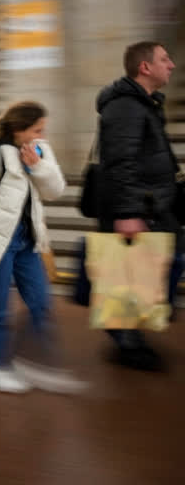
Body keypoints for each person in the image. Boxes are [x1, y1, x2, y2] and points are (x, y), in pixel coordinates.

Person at [0, 102, 83, 394]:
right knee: (0, 311)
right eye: (37, 130)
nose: (43, 136)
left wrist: (37, 167)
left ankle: (36, 362)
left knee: (41, 302)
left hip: (28, 242)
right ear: (19, 131)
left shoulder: (40, 151)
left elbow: (55, 190)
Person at [96, 41, 180, 371]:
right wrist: (128, 212)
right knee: (128, 273)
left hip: (153, 204)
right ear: (145, 67)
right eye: (164, 58)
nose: (171, 64)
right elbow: (120, 162)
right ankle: (127, 343)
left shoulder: (143, 104)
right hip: (137, 206)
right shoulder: (126, 107)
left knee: (143, 270)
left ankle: (128, 336)